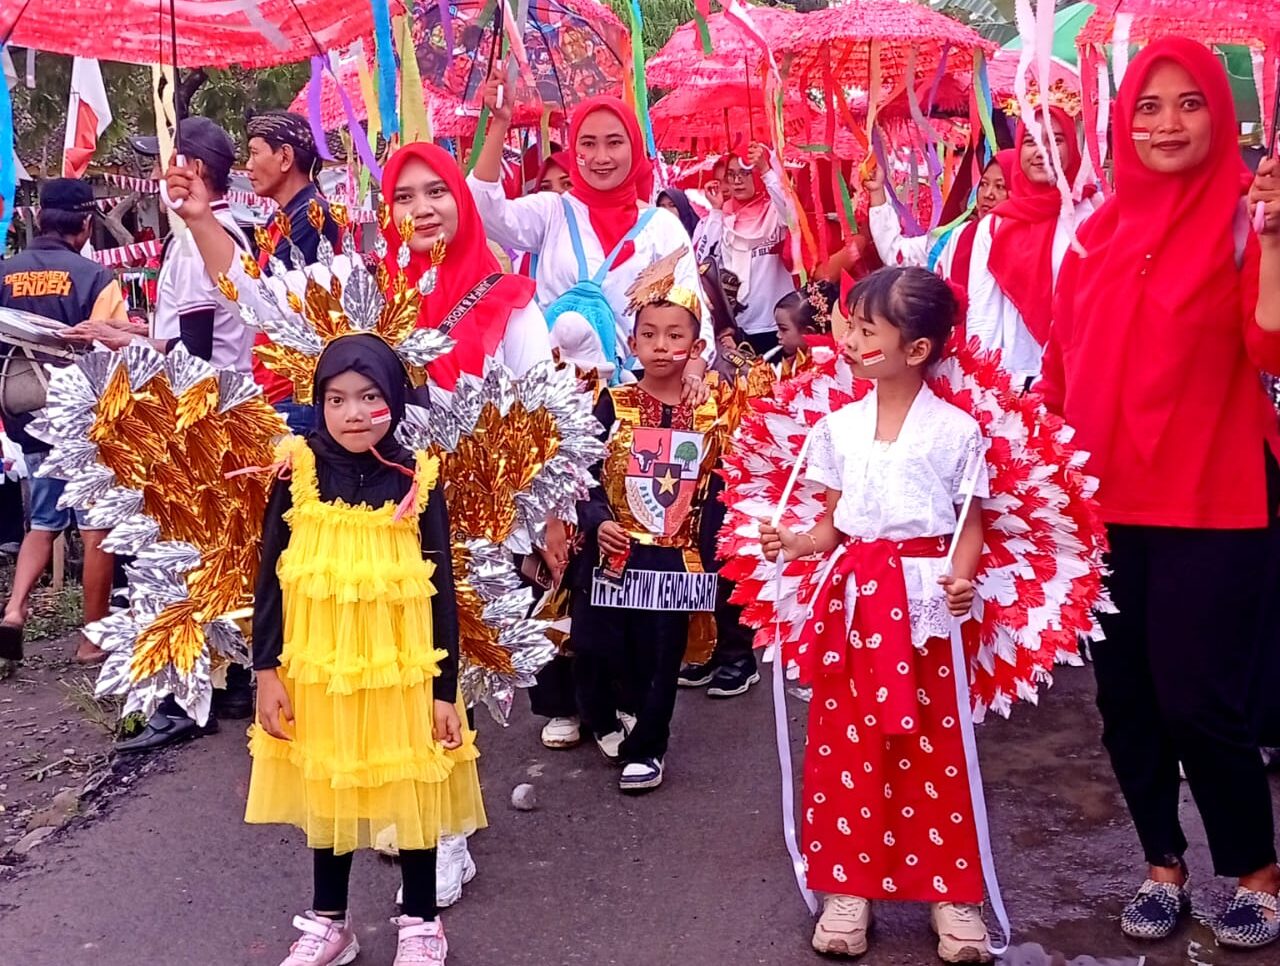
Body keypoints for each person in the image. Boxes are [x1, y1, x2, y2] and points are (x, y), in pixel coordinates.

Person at [1042, 38, 1280, 949]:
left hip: (1215, 498)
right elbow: (1063, 362)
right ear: (1121, 119)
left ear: (1222, 116)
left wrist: (1272, 241)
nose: (1166, 123)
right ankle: (1160, 866)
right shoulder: (1095, 230)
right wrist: (1032, 474)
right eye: (1149, 105)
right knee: (1127, 698)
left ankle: (1253, 873)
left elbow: (1270, 352)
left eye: (1189, 104)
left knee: (1199, 699)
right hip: (1103, 501)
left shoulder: (1243, 219)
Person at [760, 267, 993, 963]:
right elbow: (832, 525)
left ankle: (952, 893)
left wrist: (961, 579)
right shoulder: (837, 427)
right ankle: (847, 888)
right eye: (850, 324)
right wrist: (797, 542)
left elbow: (969, 524)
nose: (849, 338)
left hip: (922, 606)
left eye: (866, 329)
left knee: (934, 746)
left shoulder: (958, 431)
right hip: (856, 601)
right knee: (844, 745)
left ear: (916, 350)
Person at [246, 333, 484, 966]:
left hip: (405, 669)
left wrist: (442, 692)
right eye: (336, 399)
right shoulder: (296, 474)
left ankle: (421, 920)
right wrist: (266, 670)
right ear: (318, 404)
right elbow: (268, 576)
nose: (353, 413)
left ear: (395, 400)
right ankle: (330, 923)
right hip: (321, 668)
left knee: (411, 785)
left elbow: (442, 591)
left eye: (370, 397)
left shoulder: (418, 479)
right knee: (332, 783)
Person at [566, 248, 723, 792]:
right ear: (632, 343)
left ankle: (650, 747)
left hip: (678, 556)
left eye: (676, 336)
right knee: (594, 644)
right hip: (612, 550)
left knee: (662, 654)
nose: (662, 347)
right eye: (650, 335)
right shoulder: (612, 401)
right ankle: (605, 717)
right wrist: (594, 519)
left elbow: (730, 480)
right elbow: (580, 469)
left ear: (695, 346)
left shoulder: (712, 408)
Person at [468, 76, 713, 393]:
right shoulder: (552, 212)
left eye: (614, 142)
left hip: (635, 388)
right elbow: (484, 209)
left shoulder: (661, 227)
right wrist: (500, 122)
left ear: (634, 147)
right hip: (553, 388)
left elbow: (692, 308)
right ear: (574, 149)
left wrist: (692, 374)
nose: (601, 157)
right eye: (587, 143)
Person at [0, 177, 124, 669]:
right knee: (96, 529)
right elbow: (111, 352)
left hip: (25, 412)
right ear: (86, 225)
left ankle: (13, 610)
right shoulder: (95, 278)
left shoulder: (5, 274)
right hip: (85, 421)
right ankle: (91, 643)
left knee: (45, 520)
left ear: (39, 220)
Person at [380, 142, 552, 393]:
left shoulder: (509, 305)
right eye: (403, 197)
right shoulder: (370, 300)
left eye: (437, 191)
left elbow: (543, 408)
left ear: (461, 199)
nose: (423, 210)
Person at [967, 108, 1097, 384]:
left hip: (1078, 375)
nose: (1041, 152)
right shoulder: (995, 226)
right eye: (1031, 141)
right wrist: (983, 387)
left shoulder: (1093, 216)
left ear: (1073, 147)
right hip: (1015, 380)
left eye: (1056, 140)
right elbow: (983, 315)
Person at [244, 112, 342, 435]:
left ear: (285, 157)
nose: (247, 166)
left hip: (295, 389)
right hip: (276, 384)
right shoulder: (284, 218)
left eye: (254, 152)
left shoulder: (312, 215)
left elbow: (274, 300)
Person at [865, 151, 1014, 289]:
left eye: (1000, 186)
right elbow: (895, 253)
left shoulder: (1027, 246)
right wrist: (877, 191)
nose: (988, 194)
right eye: (984, 184)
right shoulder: (954, 238)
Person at [698, 146, 795, 355]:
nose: (737, 181)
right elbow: (704, 260)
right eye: (731, 175)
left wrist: (766, 170)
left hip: (776, 327)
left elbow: (791, 217)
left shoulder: (774, 213)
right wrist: (715, 210)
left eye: (745, 173)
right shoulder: (721, 216)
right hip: (738, 330)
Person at [772, 279, 840, 368]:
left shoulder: (823, 370)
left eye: (783, 329)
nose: (778, 335)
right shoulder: (794, 361)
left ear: (809, 332)